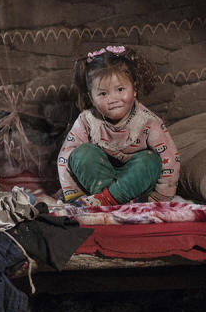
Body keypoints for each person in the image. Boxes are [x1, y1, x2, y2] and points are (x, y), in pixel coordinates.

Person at [57, 45, 180, 206]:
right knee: (81, 153)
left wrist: (161, 197)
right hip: (98, 180)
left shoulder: (148, 122)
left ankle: (107, 199)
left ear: (134, 89)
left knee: (151, 161)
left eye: (120, 89)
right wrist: (74, 194)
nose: (113, 99)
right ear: (91, 98)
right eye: (103, 93)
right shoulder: (87, 120)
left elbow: (171, 160)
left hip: (135, 182)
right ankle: (109, 198)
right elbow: (65, 157)